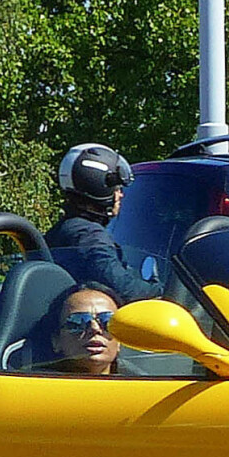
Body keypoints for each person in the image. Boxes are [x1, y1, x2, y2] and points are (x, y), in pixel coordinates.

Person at [47, 143, 162, 301]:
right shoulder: (89, 236)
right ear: (100, 187)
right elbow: (123, 288)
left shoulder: (63, 230)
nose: (121, 195)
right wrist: (160, 290)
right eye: (117, 189)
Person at [45, 282, 122, 376]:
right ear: (56, 340)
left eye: (107, 321)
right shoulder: (33, 387)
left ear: (119, 342)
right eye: (77, 322)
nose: (95, 329)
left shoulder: (140, 386)